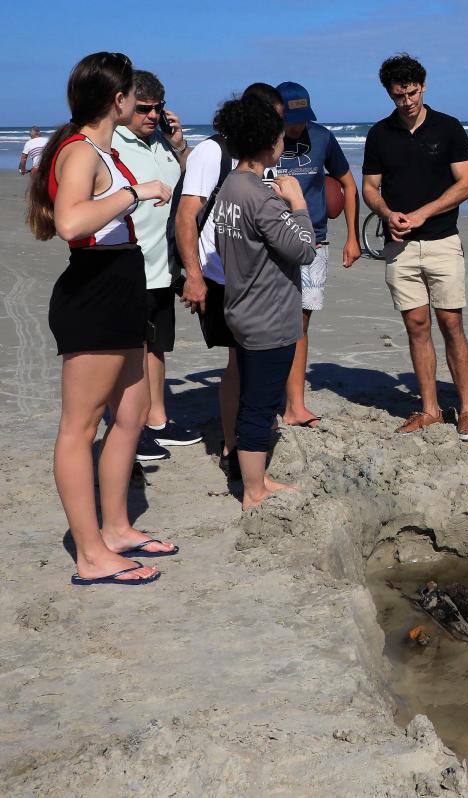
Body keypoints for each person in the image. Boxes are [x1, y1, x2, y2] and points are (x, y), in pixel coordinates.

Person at [25, 52, 175, 586]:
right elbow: (69, 222)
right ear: (119, 99)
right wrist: (134, 193)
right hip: (95, 292)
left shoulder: (96, 145)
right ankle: (90, 554)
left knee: (131, 414)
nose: (139, 101)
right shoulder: (79, 150)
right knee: (79, 427)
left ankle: (115, 528)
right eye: (134, 92)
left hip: (123, 286)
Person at [361, 53, 468, 441]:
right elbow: (370, 188)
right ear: (389, 94)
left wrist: (423, 213)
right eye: (399, 96)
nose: (407, 102)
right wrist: (388, 213)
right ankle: (430, 408)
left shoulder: (449, 128)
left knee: (451, 323)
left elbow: (465, 184)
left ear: (423, 86)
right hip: (399, 247)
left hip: (443, 241)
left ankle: (466, 410)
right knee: (416, 325)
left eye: (411, 93)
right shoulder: (379, 134)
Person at [210, 95, 317, 510]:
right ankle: (253, 490)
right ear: (267, 141)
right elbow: (304, 249)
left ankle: (257, 477)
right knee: (260, 406)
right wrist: (299, 202)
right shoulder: (260, 196)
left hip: (241, 306)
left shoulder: (230, 187)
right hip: (268, 316)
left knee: (253, 397)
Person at [176, 83, 281, 479]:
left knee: (257, 357)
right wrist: (194, 277)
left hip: (259, 277)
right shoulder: (213, 152)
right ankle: (232, 445)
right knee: (239, 361)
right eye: (273, 116)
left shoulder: (264, 156)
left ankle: (254, 434)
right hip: (220, 276)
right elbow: (187, 216)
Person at [112, 70, 202, 461]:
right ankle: (127, 427)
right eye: (144, 108)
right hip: (126, 265)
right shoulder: (110, 144)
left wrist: (179, 145)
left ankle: (158, 421)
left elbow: (189, 187)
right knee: (127, 352)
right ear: (125, 104)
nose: (152, 115)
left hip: (164, 267)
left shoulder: (164, 142)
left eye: (158, 108)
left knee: (156, 347)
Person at [274, 81, 361, 429]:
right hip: (271, 238)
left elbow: (348, 185)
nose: (297, 125)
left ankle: (295, 404)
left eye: (301, 117)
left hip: (315, 241)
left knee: (301, 321)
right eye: (290, 118)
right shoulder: (264, 140)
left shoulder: (322, 138)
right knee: (270, 319)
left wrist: (352, 237)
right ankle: (267, 397)